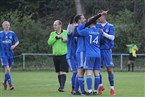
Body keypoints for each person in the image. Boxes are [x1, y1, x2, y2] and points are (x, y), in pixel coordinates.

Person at [77, 17, 102, 95]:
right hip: (98, 54)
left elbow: (78, 31)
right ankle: (95, 91)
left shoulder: (87, 31)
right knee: (97, 73)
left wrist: (84, 24)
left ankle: (90, 91)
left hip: (89, 54)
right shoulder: (99, 31)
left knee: (89, 73)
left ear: (90, 23)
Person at [96, 10, 116, 95]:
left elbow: (112, 37)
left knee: (109, 69)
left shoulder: (110, 26)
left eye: (100, 16)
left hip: (107, 50)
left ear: (104, 16)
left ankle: (112, 88)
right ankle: (100, 85)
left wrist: (103, 33)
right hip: (98, 50)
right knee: (97, 69)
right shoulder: (96, 25)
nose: (98, 18)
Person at [47, 20, 69, 92]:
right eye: (54, 25)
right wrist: (57, 37)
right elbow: (49, 42)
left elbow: (69, 40)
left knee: (63, 71)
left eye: (55, 25)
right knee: (59, 72)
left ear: (60, 25)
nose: (54, 26)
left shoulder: (65, 32)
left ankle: (62, 87)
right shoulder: (52, 34)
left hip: (64, 54)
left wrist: (64, 39)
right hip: (55, 55)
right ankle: (60, 86)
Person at [0, 21, 19, 90]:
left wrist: (14, 45)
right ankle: (11, 85)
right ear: (3, 26)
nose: (7, 26)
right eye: (6, 25)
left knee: (8, 70)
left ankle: (4, 82)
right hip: (3, 54)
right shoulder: (0, 34)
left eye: (8, 25)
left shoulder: (12, 33)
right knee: (7, 69)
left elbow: (17, 41)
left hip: (10, 54)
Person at [66, 16, 78, 94]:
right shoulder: (70, 34)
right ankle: (73, 88)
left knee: (79, 73)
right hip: (70, 57)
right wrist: (71, 21)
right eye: (74, 25)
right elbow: (68, 31)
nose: (75, 26)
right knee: (75, 72)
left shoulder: (78, 35)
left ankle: (77, 89)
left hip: (77, 57)